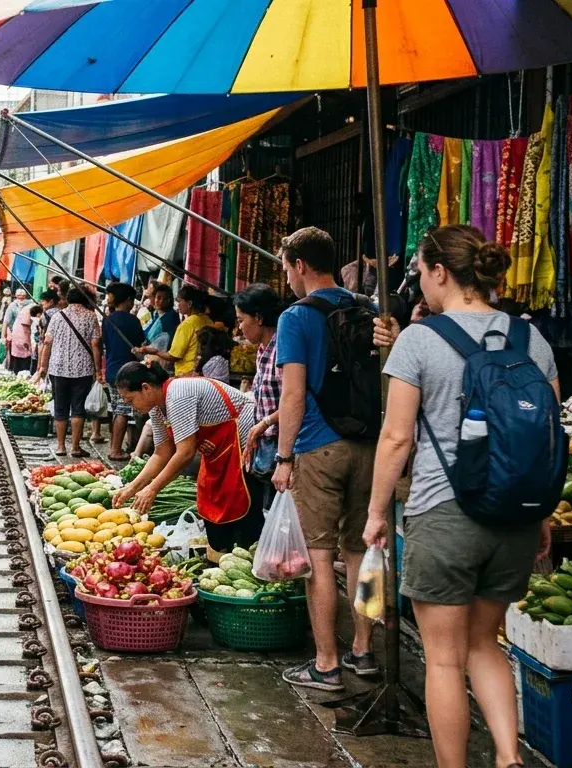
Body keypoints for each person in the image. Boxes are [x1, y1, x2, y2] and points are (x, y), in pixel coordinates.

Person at [365, 226, 555, 768]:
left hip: (445, 515)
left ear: (440, 272)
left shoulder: (420, 340)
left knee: (444, 660)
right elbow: (547, 436)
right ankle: (507, 757)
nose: (419, 283)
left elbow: (397, 437)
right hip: (516, 518)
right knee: (485, 644)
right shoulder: (531, 339)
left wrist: (377, 512)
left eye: (421, 272)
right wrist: (539, 514)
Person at [270, 226, 376, 691]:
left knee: (319, 558)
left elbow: (292, 395)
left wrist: (284, 456)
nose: (288, 277)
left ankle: (326, 663)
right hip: (371, 446)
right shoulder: (369, 308)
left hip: (318, 445)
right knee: (362, 555)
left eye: (287, 268)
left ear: (301, 265)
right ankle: (364, 651)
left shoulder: (296, 317)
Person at [110, 361, 265, 554]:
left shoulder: (177, 394)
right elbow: (161, 453)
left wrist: (153, 489)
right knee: (211, 499)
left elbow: (185, 453)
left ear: (146, 388)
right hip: (219, 450)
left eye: (130, 400)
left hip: (244, 442)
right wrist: (132, 487)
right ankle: (223, 552)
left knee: (243, 503)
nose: (132, 407)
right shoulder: (157, 409)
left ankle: (250, 555)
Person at [34, 288, 102, 457]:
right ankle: (76, 447)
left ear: (68, 299)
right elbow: (95, 344)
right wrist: (98, 368)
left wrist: (43, 366)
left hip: (58, 368)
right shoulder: (90, 316)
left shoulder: (57, 316)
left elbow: (47, 342)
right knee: (78, 408)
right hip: (83, 369)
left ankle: (60, 446)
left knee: (60, 406)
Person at [234, 284, 284, 496]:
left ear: (259, 318)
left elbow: (295, 401)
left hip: (282, 445)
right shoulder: (263, 349)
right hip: (267, 443)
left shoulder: (282, 349)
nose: (239, 328)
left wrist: (263, 424)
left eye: (241, 320)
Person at [100, 283, 147, 461]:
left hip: (112, 368)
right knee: (122, 411)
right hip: (125, 372)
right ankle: (115, 450)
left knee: (116, 409)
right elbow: (140, 344)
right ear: (127, 300)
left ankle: (117, 446)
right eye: (132, 300)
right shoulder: (131, 320)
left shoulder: (108, 318)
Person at [135, 285, 210, 375]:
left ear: (189, 304)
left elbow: (174, 356)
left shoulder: (187, 324)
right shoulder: (207, 320)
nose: (178, 305)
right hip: (204, 370)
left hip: (186, 372)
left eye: (180, 301)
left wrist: (155, 351)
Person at [141, 283, 179, 353]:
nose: (161, 301)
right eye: (158, 297)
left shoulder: (170, 317)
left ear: (169, 301)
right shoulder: (155, 314)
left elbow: (150, 338)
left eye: (165, 299)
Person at [8, 294, 35, 373]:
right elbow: (26, 323)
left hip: (18, 336)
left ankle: (19, 374)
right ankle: (22, 375)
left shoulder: (28, 307)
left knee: (19, 358)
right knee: (23, 359)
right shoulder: (29, 309)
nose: (21, 298)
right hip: (22, 337)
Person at [24, 305, 44, 372]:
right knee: (37, 359)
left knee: (33, 358)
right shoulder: (38, 320)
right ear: (38, 314)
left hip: (32, 340)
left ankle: (32, 372)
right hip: (37, 342)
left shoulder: (31, 319)